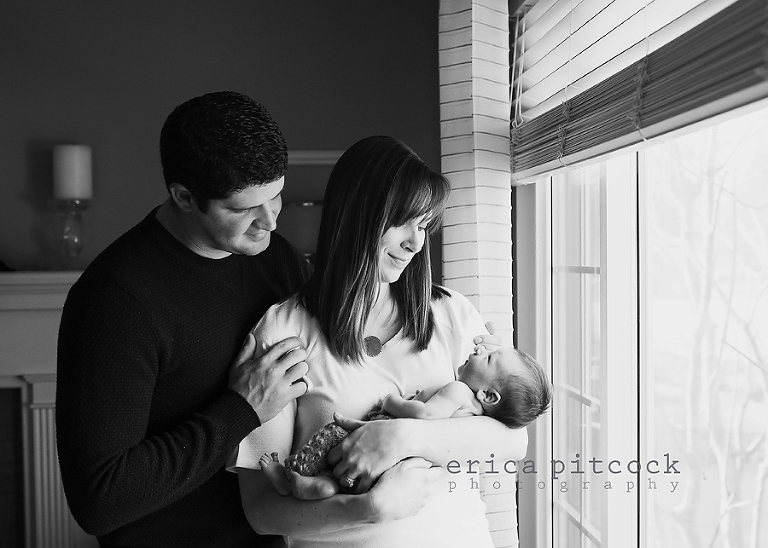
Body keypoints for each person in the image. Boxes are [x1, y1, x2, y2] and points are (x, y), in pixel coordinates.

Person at [232, 135, 529, 548]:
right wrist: (367, 509)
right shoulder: (283, 332)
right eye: (403, 222)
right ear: (357, 215)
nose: (416, 242)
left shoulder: (452, 314)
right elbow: (262, 512)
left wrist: (399, 438)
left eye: (423, 225)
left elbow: (512, 442)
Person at [56, 91, 313, 548]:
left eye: (276, 197)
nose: (270, 223)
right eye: (243, 209)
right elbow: (99, 501)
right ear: (184, 197)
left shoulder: (278, 261)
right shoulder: (114, 300)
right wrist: (242, 409)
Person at [259, 346, 552, 500]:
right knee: (347, 471)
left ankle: (293, 473)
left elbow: (425, 415)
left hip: (383, 430)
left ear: (488, 395)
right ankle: (322, 487)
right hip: (399, 467)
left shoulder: (459, 390)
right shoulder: (477, 417)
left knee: (333, 436)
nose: (478, 351)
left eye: (487, 358)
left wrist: (392, 402)